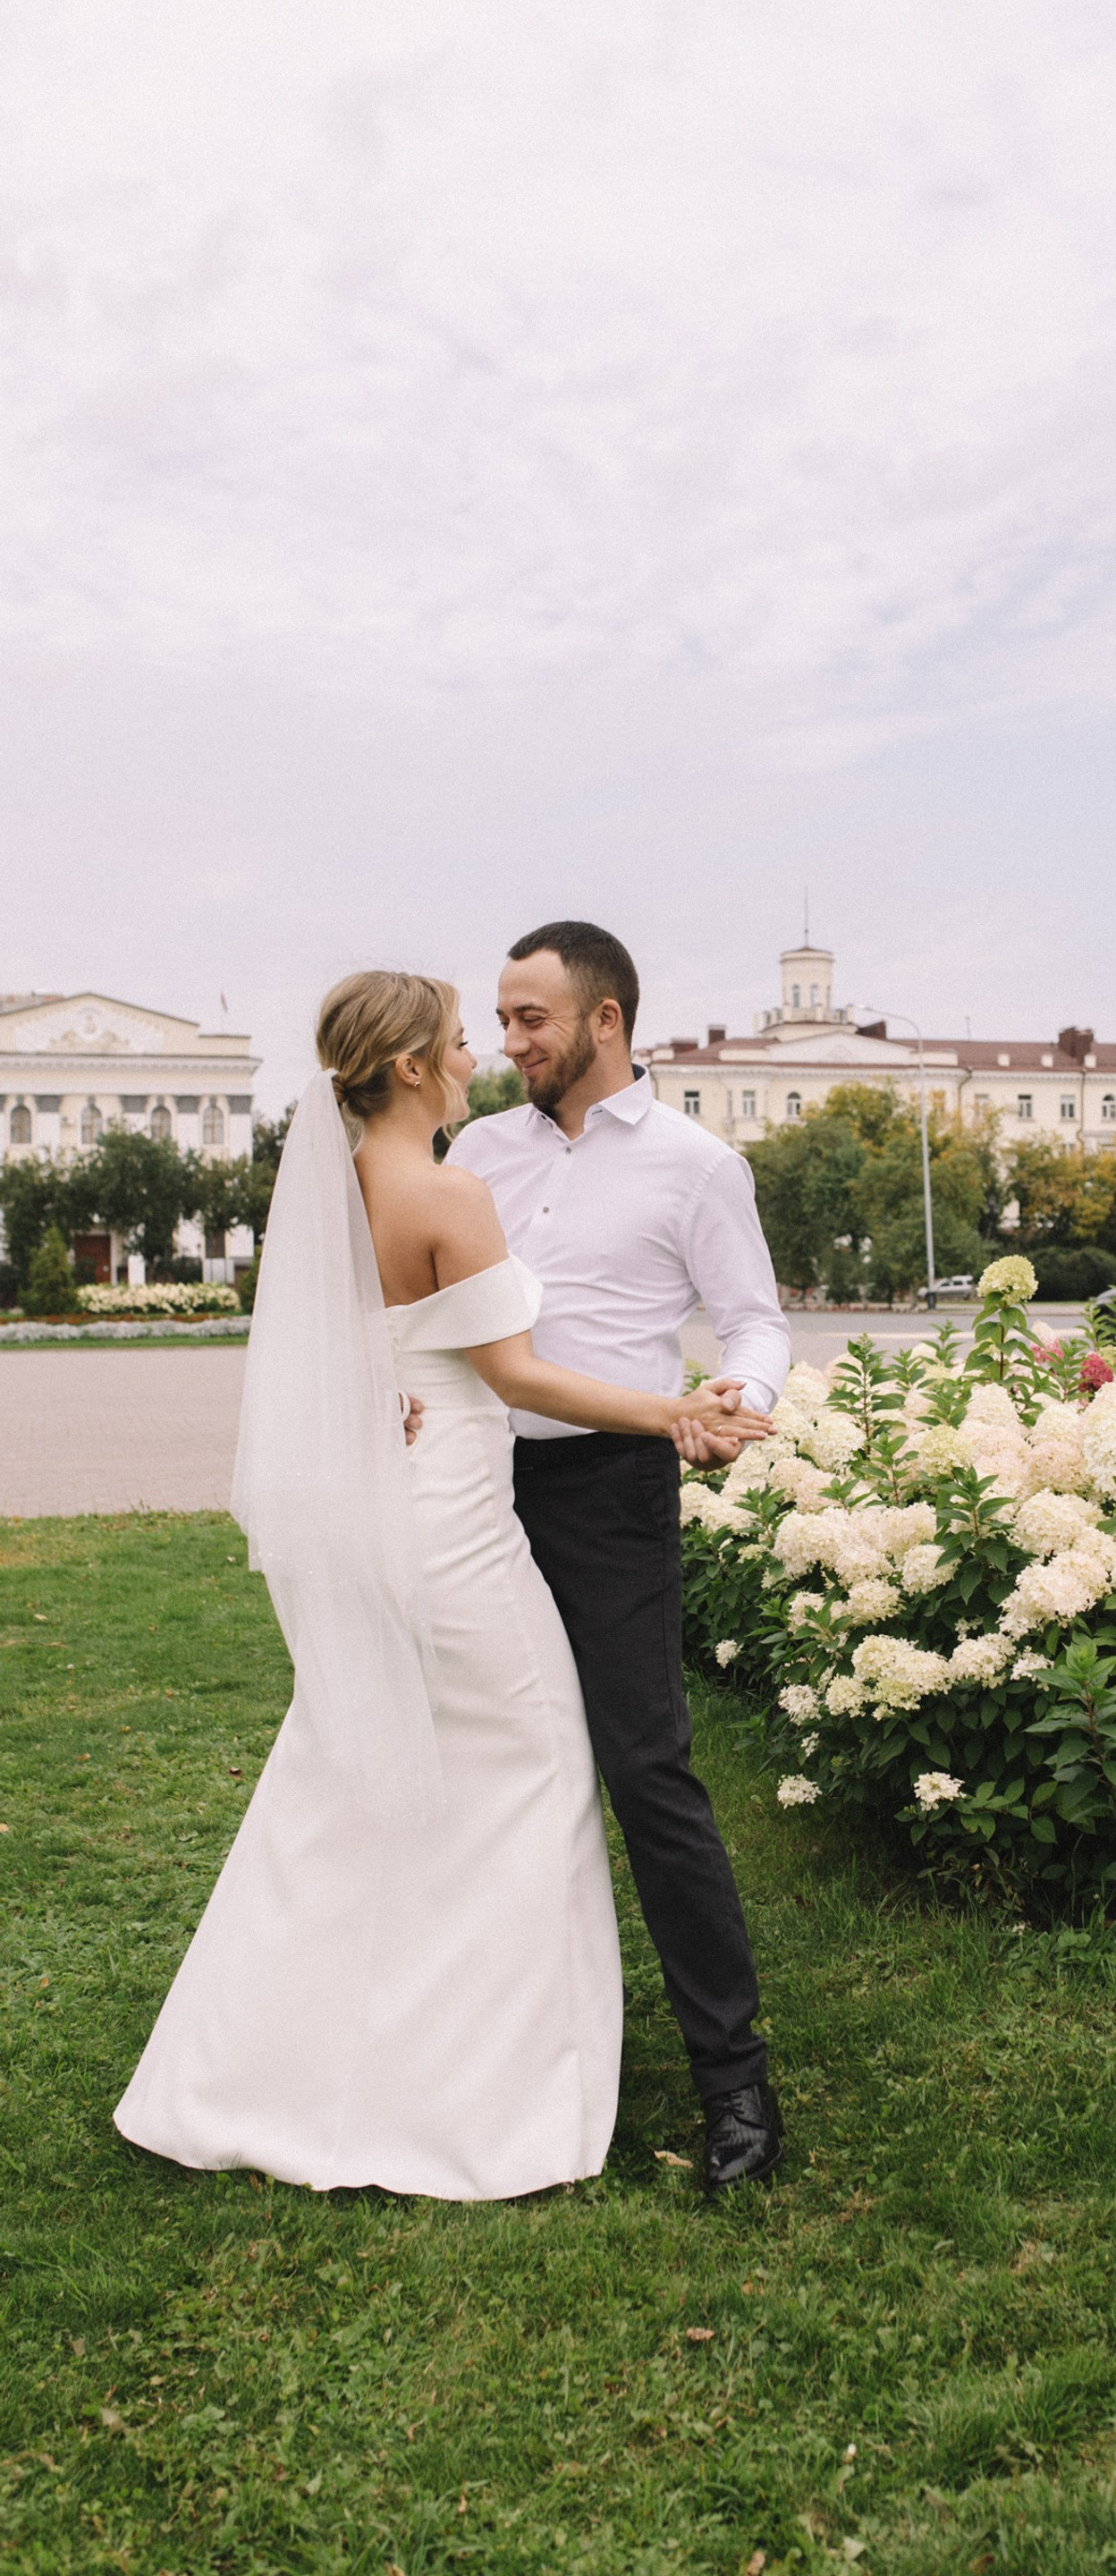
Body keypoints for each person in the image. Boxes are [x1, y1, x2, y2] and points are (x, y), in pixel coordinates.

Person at [114, 972, 771, 2200]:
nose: (478, 1052)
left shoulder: (333, 1194)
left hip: (385, 1517)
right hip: (463, 1531)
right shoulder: (448, 1189)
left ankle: (253, 2068)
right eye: (462, 1038)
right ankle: (493, 2096)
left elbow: (354, 1361)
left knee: (352, 1775)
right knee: (538, 1772)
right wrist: (673, 1408)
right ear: (413, 1067)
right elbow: (516, 1377)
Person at [446, 920, 791, 2190]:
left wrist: (737, 1402)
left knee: (645, 1769)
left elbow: (753, 1317)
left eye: (529, 1018)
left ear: (603, 1020)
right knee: (485, 1764)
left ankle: (735, 2085)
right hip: (471, 1488)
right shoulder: (476, 1150)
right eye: (499, 1016)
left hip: (609, 1491)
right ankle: (494, 2049)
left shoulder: (698, 1166)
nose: (507, 1040)